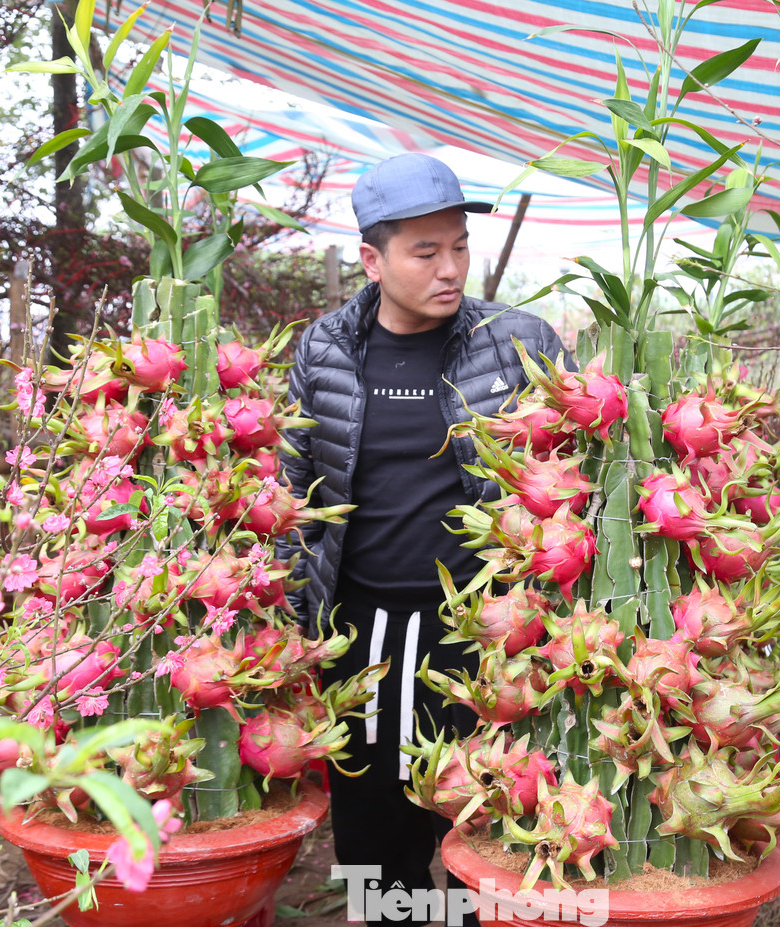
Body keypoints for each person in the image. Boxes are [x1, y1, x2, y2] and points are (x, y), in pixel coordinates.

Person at [276, 152, 570, 919]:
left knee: (491, 816)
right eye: (426, 250)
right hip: (363, 634)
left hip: (484, 633)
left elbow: (572, 477)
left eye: (460, 247)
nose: (450, 268)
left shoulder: (518, 341)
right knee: (374, 831)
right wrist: (293, 619)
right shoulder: (326, 349)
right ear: (372, 259)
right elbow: (293, 488)